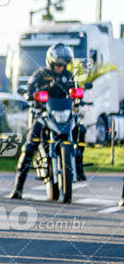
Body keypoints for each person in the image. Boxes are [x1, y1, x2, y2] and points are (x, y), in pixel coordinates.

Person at [9, 43, 87, 199]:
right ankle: (18, 188)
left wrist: (79, 94)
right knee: (30, 145)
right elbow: (29, 89)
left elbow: (77, 90)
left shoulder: (69, 75)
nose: (61, 66)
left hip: (64, 116)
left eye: (64, 63)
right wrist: (29, 94)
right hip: (45, 116)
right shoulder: (40, 74)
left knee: (81, 129)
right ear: (51, 62)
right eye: (58, 63)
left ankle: (78, 163)